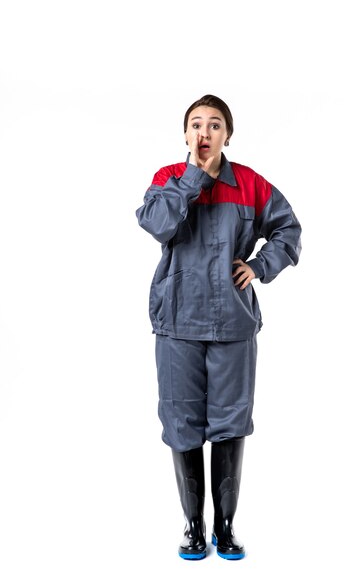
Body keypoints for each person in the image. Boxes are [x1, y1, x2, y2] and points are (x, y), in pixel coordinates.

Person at [135, 94, 302, 561]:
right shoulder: (167, 180)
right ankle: (193, 526)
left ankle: (225, 528)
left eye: (214, 125)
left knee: (230, 422)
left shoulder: (250, 184)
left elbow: (288, 229)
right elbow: (157, 224)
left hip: (233, 321)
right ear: (185, 134)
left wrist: (259, 266)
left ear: (228, 133)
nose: (204, 133)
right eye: (195, 125)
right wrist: (194, 179)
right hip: (176, 322)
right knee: (182, 421)